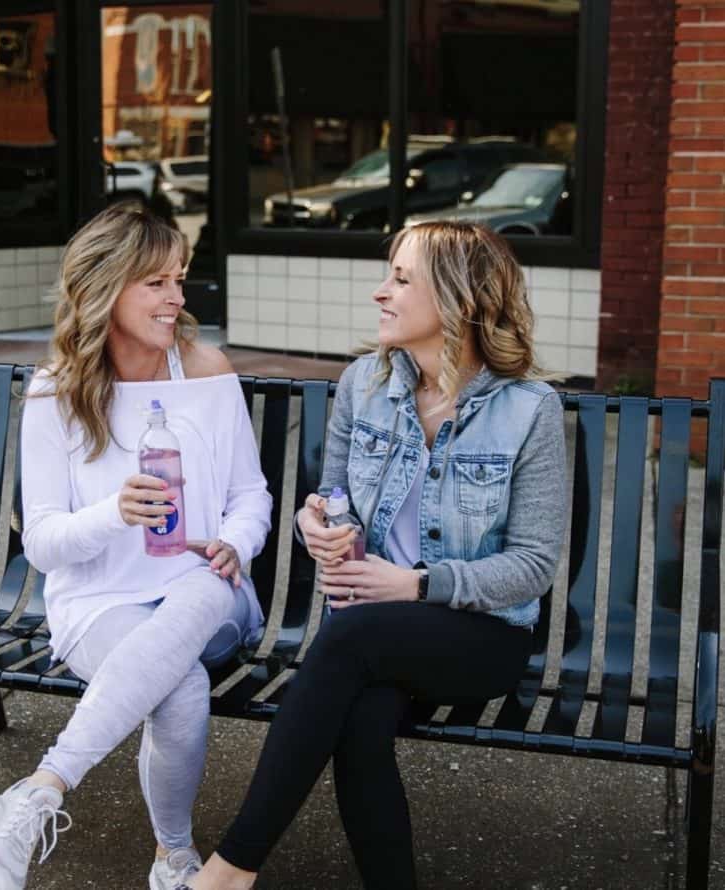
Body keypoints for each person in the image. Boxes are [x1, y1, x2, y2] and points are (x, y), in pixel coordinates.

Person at [186, 221, 567, 890]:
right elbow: (334, 497)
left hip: (478, 635)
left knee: (350, 638)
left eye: (400, 278)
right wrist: (320, 523)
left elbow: (533, 566)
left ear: (459, 297)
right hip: (370, 630)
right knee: (361, 721)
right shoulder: (364, 383)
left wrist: (416, 585)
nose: (378, 292)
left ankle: (232, 868)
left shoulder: (529, 412)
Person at [0, 203, 272, 890]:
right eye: (156, 282)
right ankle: (173, 858)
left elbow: (253, 495)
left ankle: (42, 788)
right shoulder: (57, 394)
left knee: (195, 588)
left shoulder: (203, 369)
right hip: (101, 602)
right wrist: (114, 513)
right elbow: (41, 544)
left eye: (180, 279)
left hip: (212, 591)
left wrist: (234, 541)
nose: (177, 298)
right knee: (179, 685)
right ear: (107, 285)